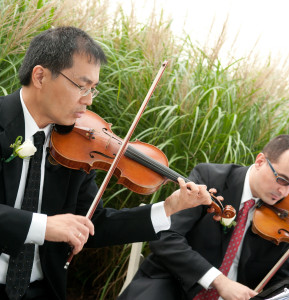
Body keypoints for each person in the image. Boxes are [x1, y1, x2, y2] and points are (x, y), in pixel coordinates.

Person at [0, 26, 213, 300]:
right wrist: (43, 226)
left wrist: (169, 208)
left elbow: (93, 223)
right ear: (40, 76)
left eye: (93, 89)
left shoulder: (75, 144)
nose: (88, 100)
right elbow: (51, 226)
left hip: (42, 291)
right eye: (81, 86)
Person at [118, 134, 289, 300]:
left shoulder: (285, 216)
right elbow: (165, 237)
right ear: (260, 161)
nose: (284, 191)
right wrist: (219, 281)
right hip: (174, 287)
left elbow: (281, 278)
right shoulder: (210, 178)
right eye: (281, 179)